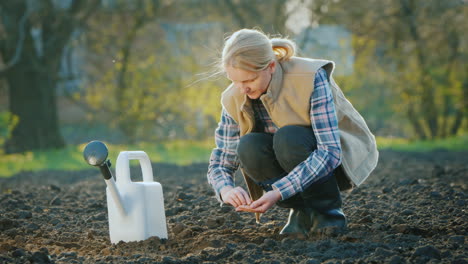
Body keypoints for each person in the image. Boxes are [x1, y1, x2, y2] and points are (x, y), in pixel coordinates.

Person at [207, 28, 378, 235]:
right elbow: (221, 160)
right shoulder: (234, 96)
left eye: (249, 80)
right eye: (234, 81)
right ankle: (301, 211)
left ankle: (327, 212)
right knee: (249, 145)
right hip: (289, 172)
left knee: (288, 138)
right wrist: (225, 189)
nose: (242, 89)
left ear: (270, 66)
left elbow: (330, 152)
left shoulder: (309, 77)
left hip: (334, 164)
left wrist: (279, 191)